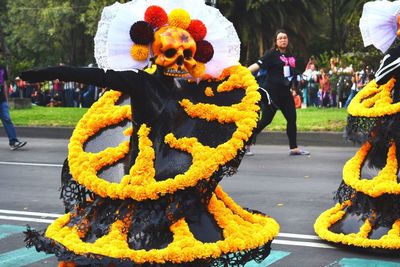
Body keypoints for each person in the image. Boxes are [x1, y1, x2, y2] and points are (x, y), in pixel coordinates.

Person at [247, 29, 309, 156]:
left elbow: (291, 71)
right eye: (280, 38)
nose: (283, 40)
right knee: (265, 121)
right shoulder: (271, 55)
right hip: (271, 94)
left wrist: (299, 77)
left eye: (285, 38)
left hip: (285, 93)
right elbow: (257, 65)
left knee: (292, 119)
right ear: (276, 41)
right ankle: (245, 144)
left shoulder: (290, 56)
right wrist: (242, 73)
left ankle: (294, 148)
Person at [0, 64, 27, 150]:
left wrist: (6, 98)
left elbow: (4, 83)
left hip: (2, 99)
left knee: (7, 119)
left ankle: (13, 142)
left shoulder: (2, 67)